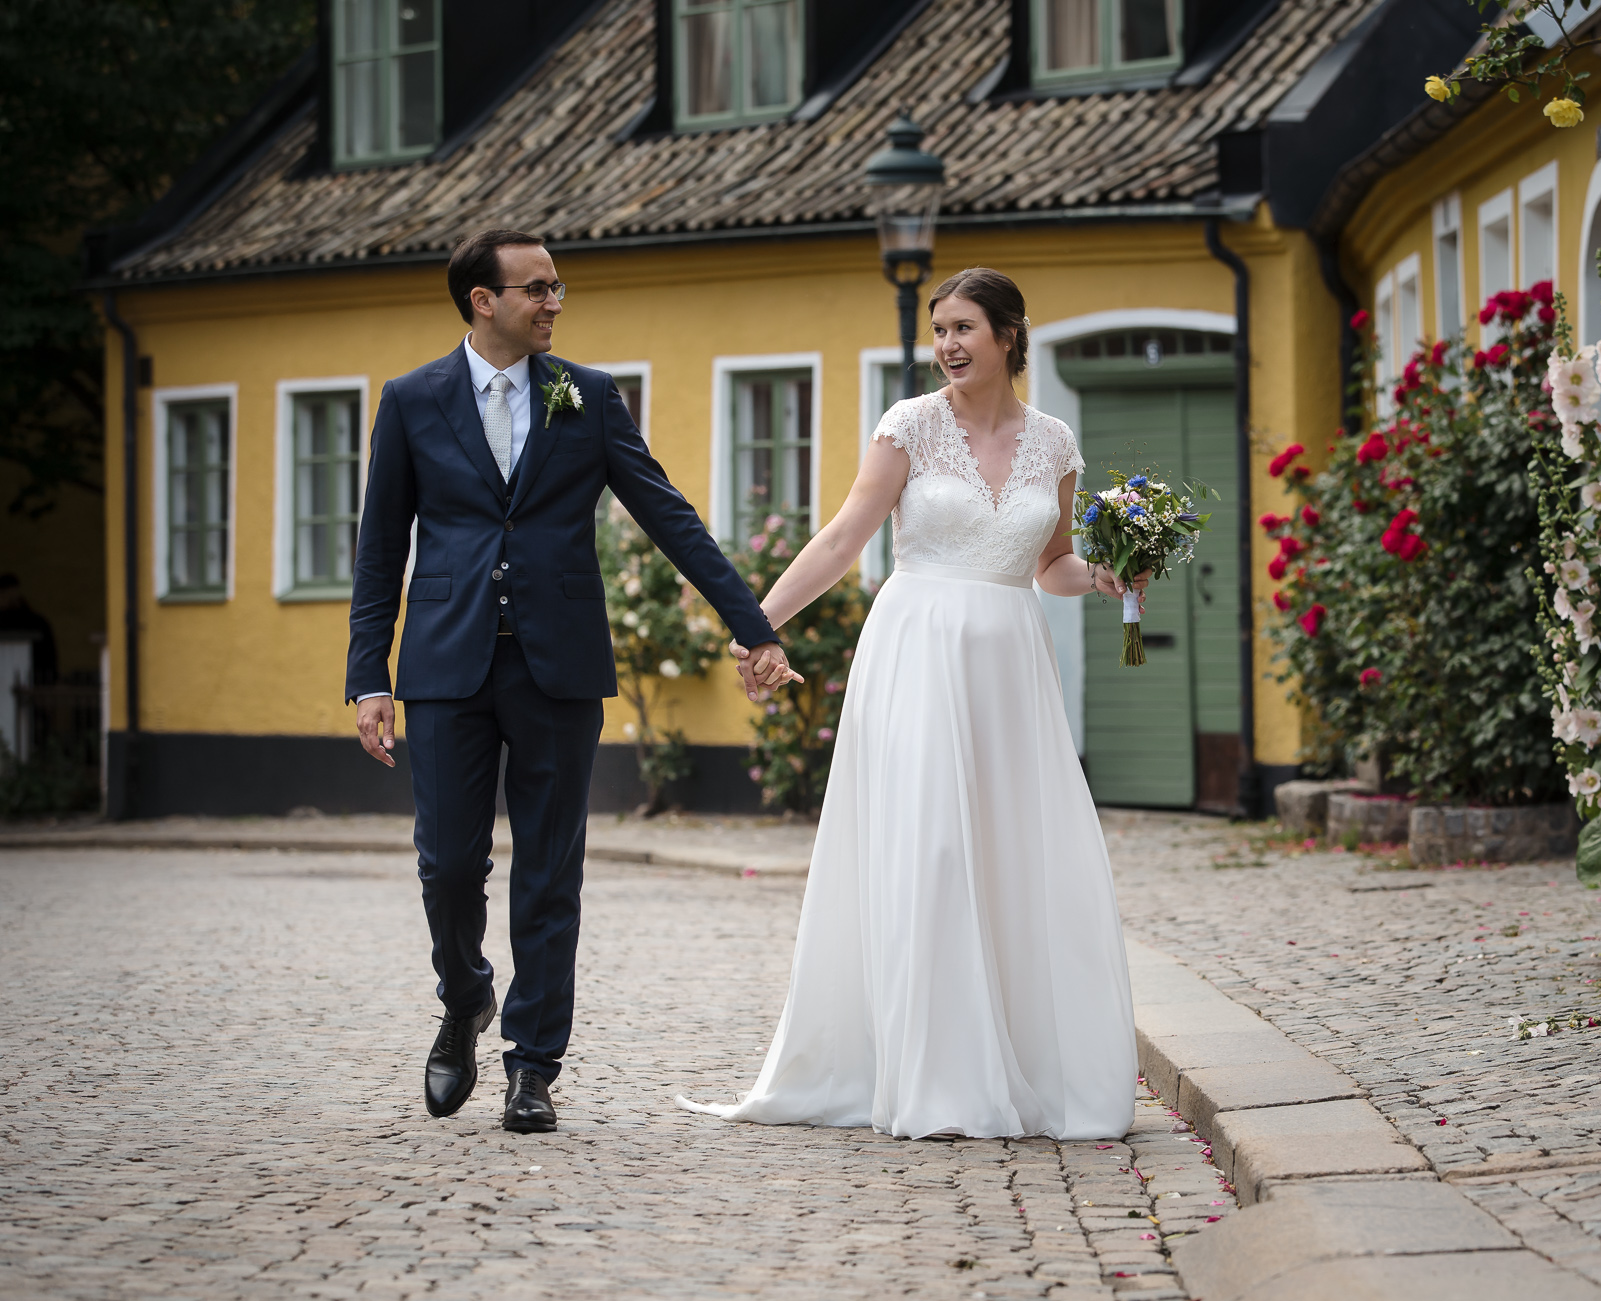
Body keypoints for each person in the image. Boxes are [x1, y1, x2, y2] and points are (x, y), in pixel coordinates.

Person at [346, 229, 797, 1135]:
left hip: (558, 667)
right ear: (484, 300)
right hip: (443, 665)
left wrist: (753, 627)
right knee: (446, 866)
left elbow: (666, 512)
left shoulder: (586, 397)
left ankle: (532, 1064)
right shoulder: (411, 400)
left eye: (558, 288)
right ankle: (464, 996)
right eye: (538, 289)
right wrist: (369, 676)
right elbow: (379, 544)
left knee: (550, 873)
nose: (555, 302)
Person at [682, 268, 1142, 1140]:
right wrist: (757, 623)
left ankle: (1026, 1064)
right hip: (918, 650)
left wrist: (1110, 572)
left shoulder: (1055, 442)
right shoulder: (910, 428)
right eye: (940, 330)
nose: (950, 345)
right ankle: (936, 1076)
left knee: (1012, 853)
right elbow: (845, 535)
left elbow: (1051, 567)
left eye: (966, 327)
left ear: (1010, 335)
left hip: (1009, 665)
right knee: (931, 848)